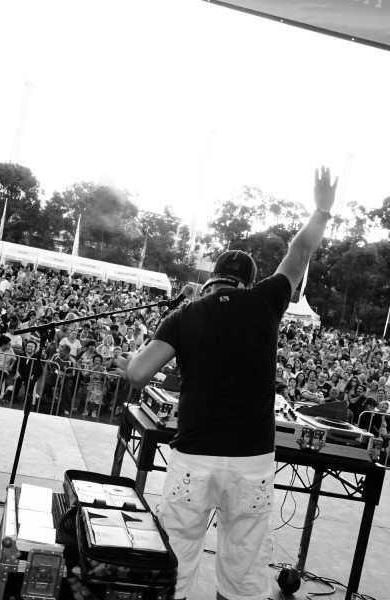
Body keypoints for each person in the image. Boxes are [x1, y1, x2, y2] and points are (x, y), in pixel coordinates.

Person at [127, 166, 337, 600]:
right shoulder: (265, 301)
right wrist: (321, 209)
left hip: (194, 457)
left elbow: (138, 373)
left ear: (212, 278)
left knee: (178, 558)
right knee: (243, 568)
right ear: (248, 281)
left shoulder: (184, 316)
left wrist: (164, 329)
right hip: (252, 460)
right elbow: (298, 253)